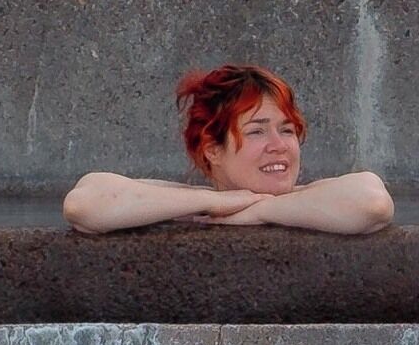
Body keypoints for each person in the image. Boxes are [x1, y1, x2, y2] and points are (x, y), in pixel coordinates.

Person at [63, 63, 394, 235]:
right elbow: (84, 203)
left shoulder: (314, 195)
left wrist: (257, 211)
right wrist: (215, 202)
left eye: (287, 130)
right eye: (256, 132)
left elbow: (372, 204)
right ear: (212, 150)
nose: (279, 146)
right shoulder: (188, 202)